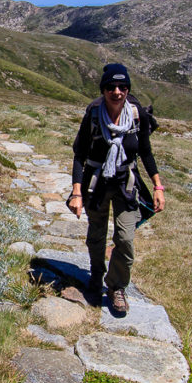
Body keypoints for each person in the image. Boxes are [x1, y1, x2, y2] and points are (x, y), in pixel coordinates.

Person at [67, 63, 164, 314]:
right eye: (111, 87)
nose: (117, 92)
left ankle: (116, 286)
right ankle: (96, 275)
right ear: (103, 89)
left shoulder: (136, 114)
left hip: (125, 183)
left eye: (123, 87)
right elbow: (79, 154)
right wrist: (76, 193)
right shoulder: (93, 113)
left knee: (125, 239)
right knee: (96, 235)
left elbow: (145, 151)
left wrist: (157, 186)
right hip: (96, 183)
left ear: (128, 89)